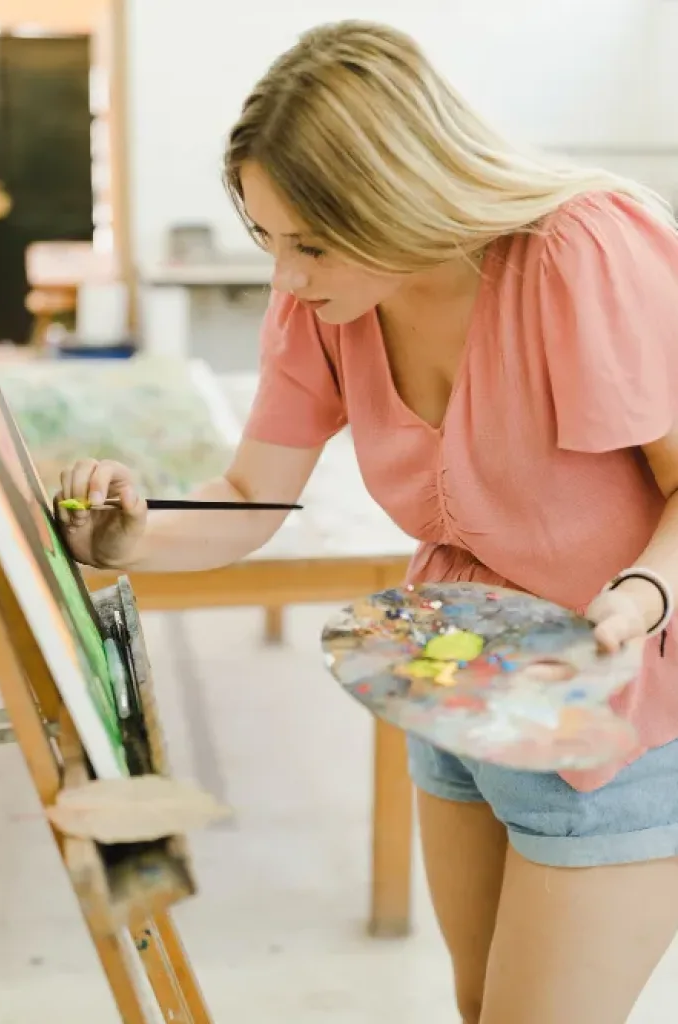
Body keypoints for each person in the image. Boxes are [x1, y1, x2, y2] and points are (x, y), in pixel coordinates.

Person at [57, 21, 678, 1024]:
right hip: (456, 680)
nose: (288, 279)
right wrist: (123, 538)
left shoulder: (576, 252)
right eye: (267, 240)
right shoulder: (323, 299)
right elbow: (248, 496)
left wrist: (643, 591)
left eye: (310, 242)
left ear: (399, 193)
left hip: (624, 712)